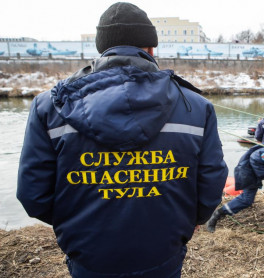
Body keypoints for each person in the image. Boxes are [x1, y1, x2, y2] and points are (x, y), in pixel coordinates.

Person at [16, 2, 228, 278]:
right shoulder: (195, 106)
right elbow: (211, 183)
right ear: (151, 49)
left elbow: (33, 196)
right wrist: (191, 222)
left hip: (88, 258)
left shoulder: (49, 107)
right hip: (164, 253)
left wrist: (75, 227)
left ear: (101, 49)